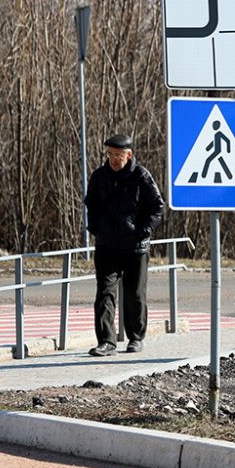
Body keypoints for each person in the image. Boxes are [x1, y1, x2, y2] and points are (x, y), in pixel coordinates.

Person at [84, 134, 164, 356]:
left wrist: (144, 229)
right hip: (107, 246)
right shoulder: (99, 177)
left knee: (134, 294)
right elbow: (91, 203)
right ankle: (106, 342)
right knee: (104, 293)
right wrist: (95, 228)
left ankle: (135, 338)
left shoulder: (141, 176)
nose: (114, 159)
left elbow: (157, 206)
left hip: (135, 247)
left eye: (118, 155)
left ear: (129, 155)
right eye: (110, 154)